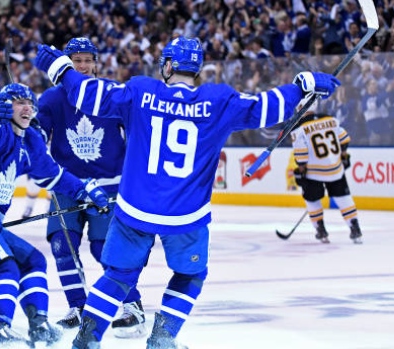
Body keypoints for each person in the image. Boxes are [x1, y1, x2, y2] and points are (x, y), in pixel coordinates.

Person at [34, 36, 340, 349]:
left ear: (167, 65)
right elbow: (265, 108)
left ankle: (88, 338)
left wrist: (59, 67)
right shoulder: (219, 101)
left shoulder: (140, 91)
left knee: (117, 274)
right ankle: (163, 338)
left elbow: (88, 93)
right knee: (190, 274)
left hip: (134, 209)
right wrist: (302, 85)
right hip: (185, 215)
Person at [0, 83, 110, 348]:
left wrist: (86, 191)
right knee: (6, 267)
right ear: (4, 107)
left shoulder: (30, 143)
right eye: (18, 102)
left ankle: (38, 324)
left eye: (30, 103)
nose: (27, 107)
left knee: (33, 261)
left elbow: (55, 177)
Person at [38, 37, 146, 337]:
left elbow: (139, 136)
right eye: (76, 61)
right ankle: (78, 306)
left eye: (87, 60)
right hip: (67, 186)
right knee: (62, 244)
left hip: (109, 187)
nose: (82, 66)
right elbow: (37, 139)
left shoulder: (110, 94)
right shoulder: (51, 99)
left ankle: (132, 305)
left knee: (105, 250)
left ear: (96, 63)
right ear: (66, 64)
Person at [291, 101, 363, 244]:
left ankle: (321, 230)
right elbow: (345, 139)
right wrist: (343, 156)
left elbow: (302, 156)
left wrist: (301, 172)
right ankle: (355, 229)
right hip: (335, 168)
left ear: (300, 108)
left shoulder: (299, 129)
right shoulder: (331, 120)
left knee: (312, 199)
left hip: (314, 172)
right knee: (343, 198)